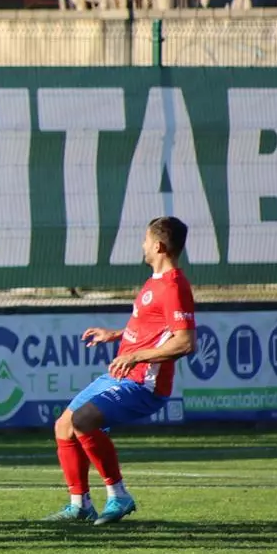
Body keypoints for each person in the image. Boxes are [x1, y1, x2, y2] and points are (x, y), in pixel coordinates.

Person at [48, 216, 195, 526]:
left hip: (145, 384)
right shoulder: (154, 282)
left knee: (84, 420)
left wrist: (137, 356)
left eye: (146, 240)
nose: (142, 245)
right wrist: (115, 335)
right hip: (120, 376)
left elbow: (185, 342)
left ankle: (119, 495)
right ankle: (80, 505)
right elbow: (151, 328)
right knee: (64, 426)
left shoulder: (173, 286)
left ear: (158, 246)